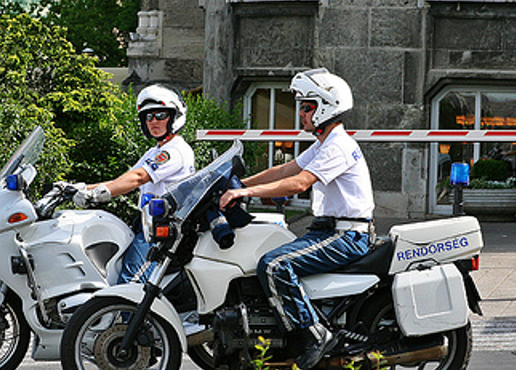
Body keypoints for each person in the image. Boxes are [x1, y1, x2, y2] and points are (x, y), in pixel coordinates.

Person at [218, 68, 374, 370]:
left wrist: (245, 195)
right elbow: (283, 171)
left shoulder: (338, 146)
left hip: (345, 235)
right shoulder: (324, 144)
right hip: (329, 231)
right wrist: (234, 185)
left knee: (274, 265)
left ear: (326, 107)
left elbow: (299, 183)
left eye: (307, 107)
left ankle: (314, 334)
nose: (300, 113)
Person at [72, 84, 195, 284]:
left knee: (130, 285)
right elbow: (123, 180)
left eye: (161, 115)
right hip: (148, 228)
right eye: (148, 117)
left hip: (160, 234)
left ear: (174, 117)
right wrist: (81, 188)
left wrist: (99, 194)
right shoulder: (155, 151)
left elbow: (138, 178)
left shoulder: (175, 150)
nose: (154, 121)